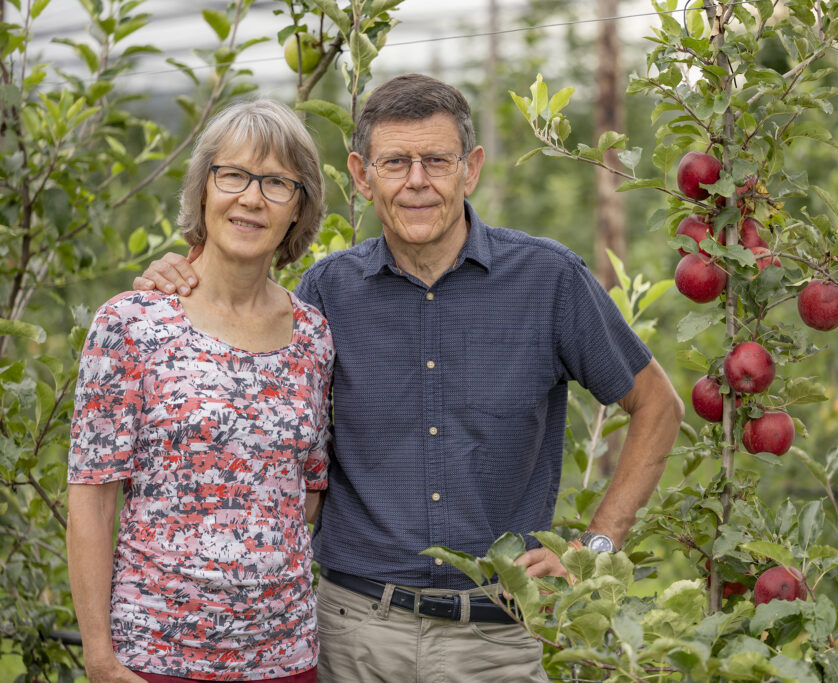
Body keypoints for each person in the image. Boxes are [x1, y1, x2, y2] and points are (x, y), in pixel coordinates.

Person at [136, 73, 685, 682]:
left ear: (470, 169)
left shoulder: (548, 280)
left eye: (436, 161)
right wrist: (182, 275)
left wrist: (595, 549)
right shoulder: (326, 293)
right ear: (363, 175)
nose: (417, 181)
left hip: (496, 642)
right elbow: (250, 385)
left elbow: (658, 406)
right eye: (395, 162)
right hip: (353, 636)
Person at [67, 99, 334, 682]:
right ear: (205, 190)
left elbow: (307, 491)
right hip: (156, 657)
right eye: (233, 175)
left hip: (284, 659)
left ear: (299, 210)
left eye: (277, 183)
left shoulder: (313, 335)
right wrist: (99, 659)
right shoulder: (132, 323)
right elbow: (91, 497)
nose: (251, 197)